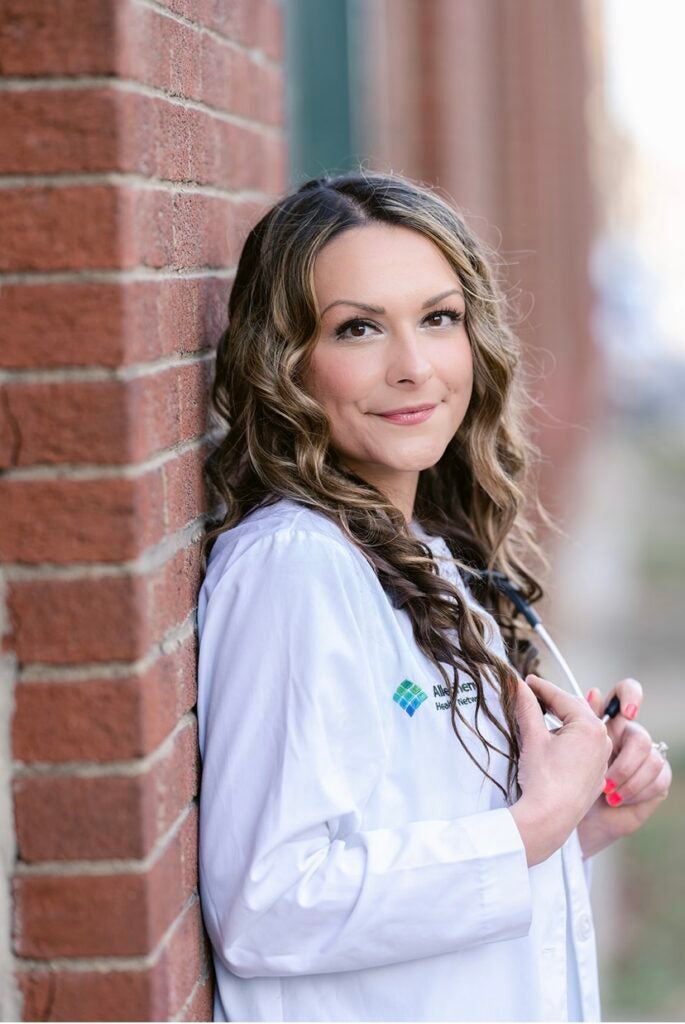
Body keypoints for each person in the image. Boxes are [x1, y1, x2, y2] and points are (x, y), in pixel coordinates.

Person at [196, 170, 671, 1022]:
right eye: (358, 329)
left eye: (437, 319)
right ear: (286, 364)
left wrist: (581, 818)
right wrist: (532, 825)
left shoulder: (423, 554)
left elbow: (419, 854)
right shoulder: (293, 570)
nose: (413, 368)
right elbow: (269, 903)